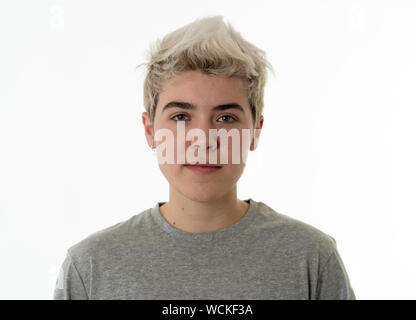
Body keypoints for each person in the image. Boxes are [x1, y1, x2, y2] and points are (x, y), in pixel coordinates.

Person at [53, 15, 356, 300]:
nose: (203, 139)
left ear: (255, 132)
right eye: (181, 116)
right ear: (150, 130)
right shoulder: (90, 267)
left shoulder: (312, 259)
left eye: (225, 118)